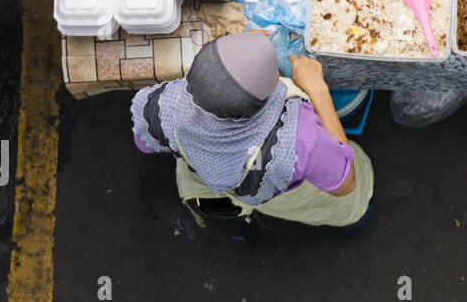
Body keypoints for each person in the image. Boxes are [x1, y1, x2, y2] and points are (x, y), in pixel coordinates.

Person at [130, 31, 375, 233]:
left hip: (235, 180)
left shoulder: (160, 105)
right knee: (353, 210)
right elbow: (345, 184)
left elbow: (144, 143)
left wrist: (240, 53)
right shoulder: (299, 139)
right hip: (290, 187)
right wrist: (318, 90)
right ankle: (362, 226)